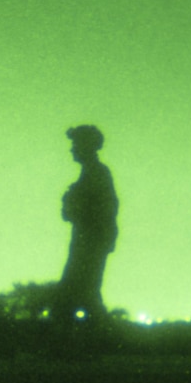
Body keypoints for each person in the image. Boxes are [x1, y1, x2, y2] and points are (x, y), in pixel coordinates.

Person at [56, 125, 119, 322]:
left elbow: (103, 210)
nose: (72, 149)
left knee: (81, 292)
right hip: (87, 241)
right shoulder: (92, 174)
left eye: (76, 144)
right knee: (80, 293)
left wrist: (71, 203)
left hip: (90, 242)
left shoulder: (97, 174)